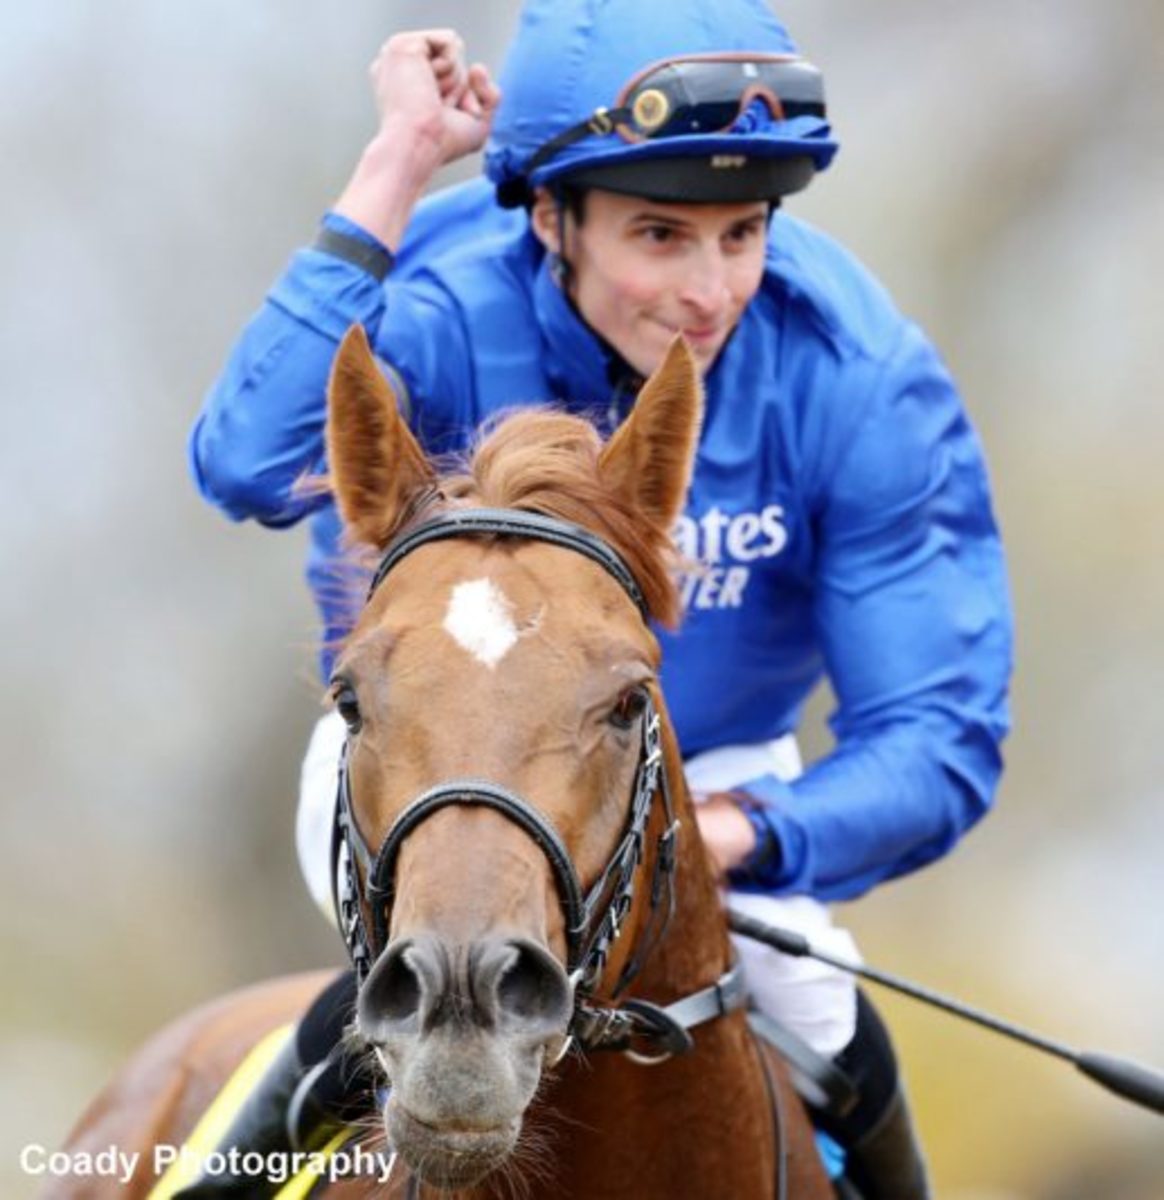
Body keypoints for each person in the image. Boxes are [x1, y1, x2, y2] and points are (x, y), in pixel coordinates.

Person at [184, 2, 1012, 1196]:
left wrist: (739, 832)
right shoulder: (439, 308)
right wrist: (399, 161)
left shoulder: (856, 378)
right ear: (551, 217)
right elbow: (245, 463)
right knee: (368, 1014)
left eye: (744, 234)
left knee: (836, 1029)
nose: (709, 291)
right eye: (661, 234)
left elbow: (938, 734)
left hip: (708, 776)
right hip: (416, 765)